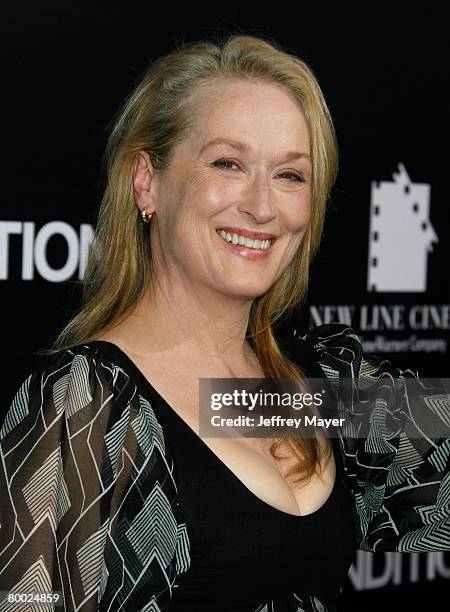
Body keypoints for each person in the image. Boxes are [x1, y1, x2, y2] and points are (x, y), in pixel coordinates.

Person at [0, 34, 449, 612]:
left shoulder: (305, 388)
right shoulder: (82, 407)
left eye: (291, 175)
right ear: (146, 181)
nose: (263, 206)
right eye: (228, 163)